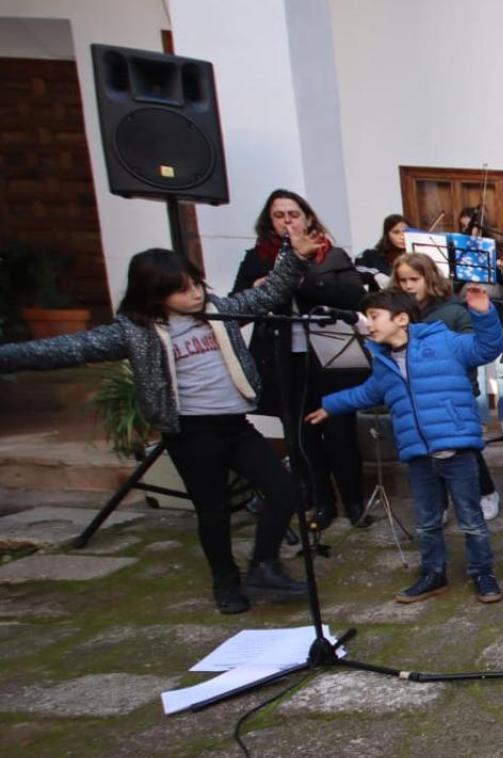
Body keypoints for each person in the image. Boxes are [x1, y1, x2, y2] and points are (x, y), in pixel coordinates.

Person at [0, 231, 319, 613]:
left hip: (235, 426)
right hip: (190, 434)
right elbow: (66, 348)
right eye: (182, 291)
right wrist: (8, 356)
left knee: (284, 489)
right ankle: (225, 582)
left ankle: (264, 565)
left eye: (197, 284)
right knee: (213, 510)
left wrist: (295, 258)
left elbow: (268, 296)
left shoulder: (219, 312)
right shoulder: (137, 332)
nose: (196, 295)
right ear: (155, 294)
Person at [311, 287, 503, 603]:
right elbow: (368, 393)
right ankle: (433, 574)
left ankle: (482, 572)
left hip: (456, 446)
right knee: (427, 521)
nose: (368, 324)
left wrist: (484, 314)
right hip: (418, 453)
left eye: (374, 317)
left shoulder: (443, 341)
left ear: (401, 319)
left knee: (471, 520)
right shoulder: (383, 360)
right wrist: (330, 405)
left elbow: (486, 347)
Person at [231, 189, 368, 530]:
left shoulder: (331, 256)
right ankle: (321, 501)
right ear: (269, 221)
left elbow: (354, 296)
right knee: (300, 434)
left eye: (293, 213)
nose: (287, 220)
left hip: (326, 356)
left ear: (308, 218)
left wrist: (300, 282)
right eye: (279, 215)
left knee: (340, 433)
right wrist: (263, 288)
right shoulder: (256, 259)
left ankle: (353, 501)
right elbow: (237, 308)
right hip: (281, 358)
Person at [391, 252, 502, 521]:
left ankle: (486, 492)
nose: (408, 286)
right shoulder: (402, 315)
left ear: (429, 279)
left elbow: (470, 349)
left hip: (454, 395)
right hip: (418, 397)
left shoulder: (452, 312)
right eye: (402, 280)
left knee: (465, 449)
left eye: (414, 279)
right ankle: (438, 504)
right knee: (428, 452)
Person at [355, 214, 410, 283]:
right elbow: (356, 271)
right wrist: (376, 275)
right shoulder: (373, 255)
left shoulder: (418, 254)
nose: (402, 237)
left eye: (406, 232)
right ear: (387, 234)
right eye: (396, 232)